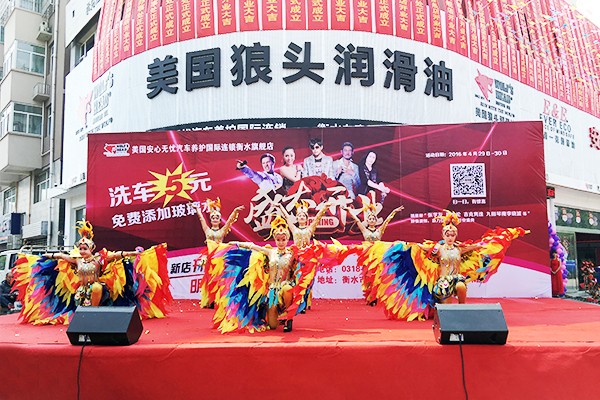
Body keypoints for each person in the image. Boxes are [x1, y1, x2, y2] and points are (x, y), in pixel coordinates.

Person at [13, 220, 172, 324]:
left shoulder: (99, 258)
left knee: (96, 288)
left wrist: (134, 253)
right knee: (78, 297)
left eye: (85, 248)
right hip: (81, 290)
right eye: (80, 248)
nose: (82, 251)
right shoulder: (76, 260)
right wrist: (42, 256)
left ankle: (93, 316)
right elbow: (60, 255)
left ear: (91, 249)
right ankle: (84, 317)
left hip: (98, 288)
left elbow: (117, 255)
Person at [229, 216, 297, 332]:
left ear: (287, 239)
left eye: (283, 239)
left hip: (285, 285)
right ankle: (277, 314)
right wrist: (237, 243)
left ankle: (289, 319)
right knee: (273, 326)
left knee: (287, 289)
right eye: (278, 239)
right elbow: (253, 246)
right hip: (272, 290)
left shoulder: (292, 254)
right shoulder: (271, 252)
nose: (281, 242)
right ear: (275, 239)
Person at [344, 203, 404, 305]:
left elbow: (387, 221)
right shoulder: (364, 230)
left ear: (376, 221)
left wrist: (394, 211)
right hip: (368, 256)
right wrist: (349, 211)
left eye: (373, 219)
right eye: (370, 219)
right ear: (367, 221)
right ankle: (369, 296)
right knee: (368, 276)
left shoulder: (379, 231)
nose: (371, 220)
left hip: (378, 256)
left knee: (377, 276)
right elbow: (357, 220)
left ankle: (375, 296)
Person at [417, 211, 482, 304]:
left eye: (452, 235)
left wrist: (490, 243)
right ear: (443, 236)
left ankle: (462, 307)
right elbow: (420, 247)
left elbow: (476, 246)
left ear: (456, 236)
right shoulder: (438, 249)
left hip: (457, 279)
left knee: (461, 286)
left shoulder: (460, 248)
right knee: (446, 307)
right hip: (444, 281)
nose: (450, 238)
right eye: (447, 235)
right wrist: (408, 244)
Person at [193, 198, 244, 308]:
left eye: (217, 218)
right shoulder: (207, 230)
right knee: (209, 278)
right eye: (213, 218)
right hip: (210, 258)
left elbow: (229, 221)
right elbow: (201, 219)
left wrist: (235, 211)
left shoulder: (222, 231)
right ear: (211, 220)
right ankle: (210, 300)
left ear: (220, 220)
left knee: (219, 278)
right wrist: (197, 209)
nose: (215, 219)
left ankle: (218, 299)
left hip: (220, 258)